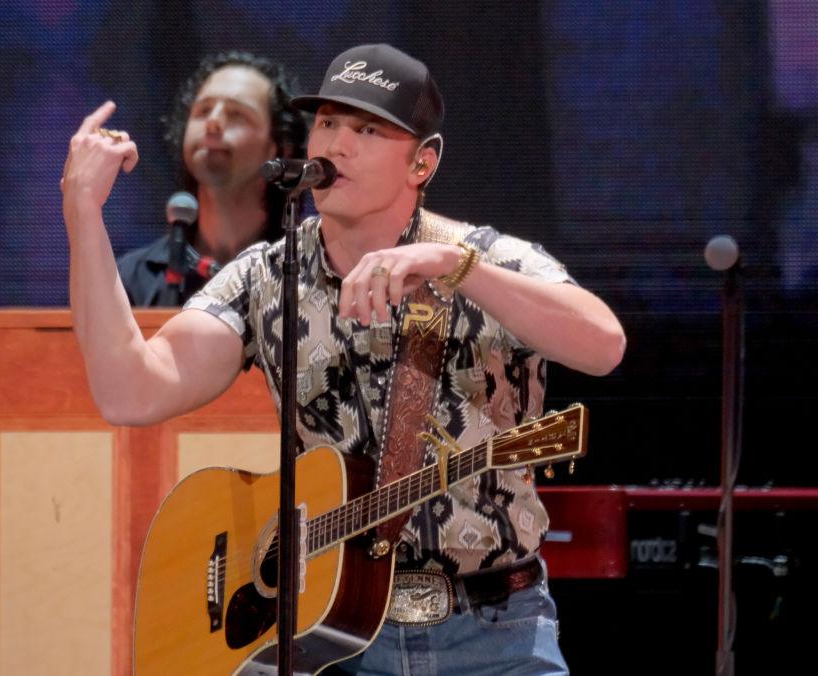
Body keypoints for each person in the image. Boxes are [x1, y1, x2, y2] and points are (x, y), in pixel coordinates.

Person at [62, 43, 626, 675]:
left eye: (367, 129)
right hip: (329, 635)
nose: (339, 143)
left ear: (423, 162)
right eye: (328, 122)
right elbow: (130, 391)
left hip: (494, 633)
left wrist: (457, 269)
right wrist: (84, 215)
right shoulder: (266, 277)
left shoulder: (486, 260)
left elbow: (604, 345)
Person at [115, 51, 307, 305]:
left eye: (237, 114)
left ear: (281, 147)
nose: (213, 122)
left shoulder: (308, 271)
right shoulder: (131, 278)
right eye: (203, 110)